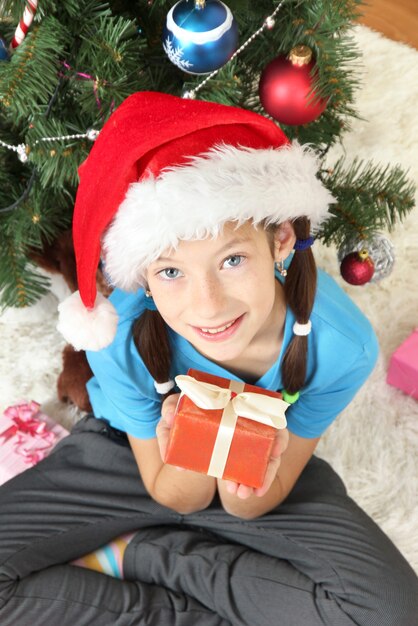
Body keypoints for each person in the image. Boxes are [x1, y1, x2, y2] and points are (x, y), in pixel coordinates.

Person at [0, 91, 417, 626]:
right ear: (145, 279)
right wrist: (191, 454)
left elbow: (253, 500)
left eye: (233, 259)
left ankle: (144, 554)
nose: (208, 306)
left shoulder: (343, 346)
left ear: (281, 240)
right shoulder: (118, 330)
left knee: (392, 613)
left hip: (266, 461)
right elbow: (174, 491)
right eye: (171, 272)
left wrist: (247, 482)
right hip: (131, 453)